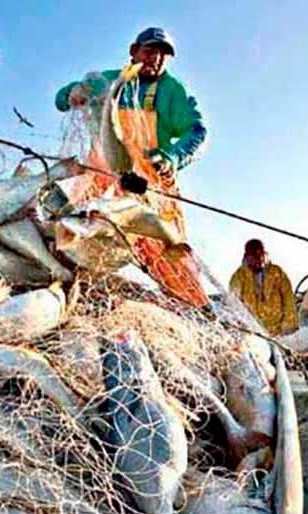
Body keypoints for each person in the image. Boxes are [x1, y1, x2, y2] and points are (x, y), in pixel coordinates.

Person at [54, 27, 209, 307]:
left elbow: (196, 131)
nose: (156, 60)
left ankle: (194, 306)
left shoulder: (172, 90)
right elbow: (60, 99)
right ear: (133, 51)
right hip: (102, 179)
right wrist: (71, 93)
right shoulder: (109, 81)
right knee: (73, 236)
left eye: (164, 56)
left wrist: (172, 157)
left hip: (151, 186)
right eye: (150, 52)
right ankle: (65, 294)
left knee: (170, 253)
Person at [229, 239, 298, 335]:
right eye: (253, 257)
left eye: (260, 256)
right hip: (253, 332)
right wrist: (242, 327)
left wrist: (288, 325)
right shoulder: (239, 277)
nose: (258, 260)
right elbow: (234, 303)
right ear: (247, 257)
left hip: (278, 331)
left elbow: (288, 299)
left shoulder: (277, 272)